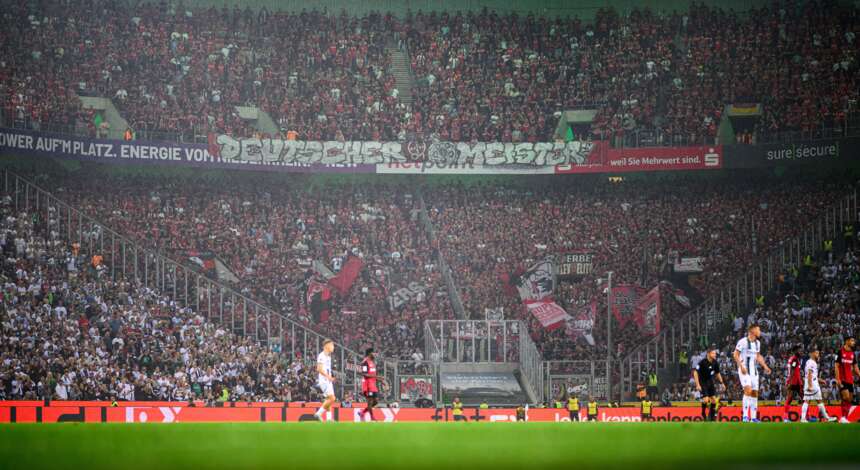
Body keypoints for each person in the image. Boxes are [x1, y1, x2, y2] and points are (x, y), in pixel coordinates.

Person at [733, 324, 772, 422]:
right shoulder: (743, 341)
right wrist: (741, 366)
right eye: (758, 330)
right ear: (752, 330)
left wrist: (765, 366)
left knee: (754, 393)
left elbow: (758, 356)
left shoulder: (758, 343)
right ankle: (745, 417)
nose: (760, 332)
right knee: (748, 390)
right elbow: (735, 354)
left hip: (754, 371)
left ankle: (753, 418)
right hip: (744, 369)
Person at [800, 345, 836, 423]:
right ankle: (803, 418)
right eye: (816, 353)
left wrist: (820, 380)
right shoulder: (811, 362)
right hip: (811, 383)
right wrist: (810, 386)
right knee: (807, 400)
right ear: (812, 354)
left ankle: (826, 417)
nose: (818, 354)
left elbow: (813, 375)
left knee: (818, 400)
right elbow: (809, 374)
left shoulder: (812, 362)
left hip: (814, 382)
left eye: (818, 353)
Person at [693, 345, 725, 422]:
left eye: (715, 353)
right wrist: (697, 384)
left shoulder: (715, 362)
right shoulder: (702, 362)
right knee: (706, 400)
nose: (715, 355)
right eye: (713, 353)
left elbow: (717, 373)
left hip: (710, 382)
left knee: (714, 400)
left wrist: (722, 383)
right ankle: (703, 413)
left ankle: (712, 417)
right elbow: (695, 372)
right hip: (702, 382)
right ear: (708, 354)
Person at [834, 336, 859, 424]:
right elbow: (836, 366)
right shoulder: (840, 352)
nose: (853, 342)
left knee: (849, 399)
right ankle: (843, 417)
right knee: (846, 397)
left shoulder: (853, 354)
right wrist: (837, 379)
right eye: (852, 341)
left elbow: (855, 367)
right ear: (847, 341)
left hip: (850, 380)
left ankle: (844, 418)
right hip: (842, 379)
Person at [314, 339, 337, 422]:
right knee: (332, 399)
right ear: (327, 346)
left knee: (328, 400)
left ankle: (329, 419)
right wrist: (328, 377)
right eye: (332, 345)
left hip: (328, 380)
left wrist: (330, 377)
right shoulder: (321, 356)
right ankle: (318, 413)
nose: (333, 347)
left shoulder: (328, 357)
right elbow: (319, 369)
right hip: (324, 381)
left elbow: (327, 369)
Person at [783, 345, 804, 421]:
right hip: (794, 382)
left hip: (795, 381)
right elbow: (792, 370)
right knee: (803, 399)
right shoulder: (795, 359)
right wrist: (789, 382)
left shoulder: (793, 359)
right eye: (799, 350)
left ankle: (785, 418)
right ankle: (805, 417)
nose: (801, 352)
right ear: (795, 351)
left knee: (790, 399)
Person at [360, 348, 378, 421]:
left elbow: (372, 374)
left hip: (373, 385)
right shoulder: (365, 362)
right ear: (370, 353)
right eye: (374, 353)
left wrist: (380, 380)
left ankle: (362, 412)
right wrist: (377, 377)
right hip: (367, 385)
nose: (375, 354)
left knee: (375, 402)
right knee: (370, 402)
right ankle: (372, 418)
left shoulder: (372, 362)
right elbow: (364, 374)